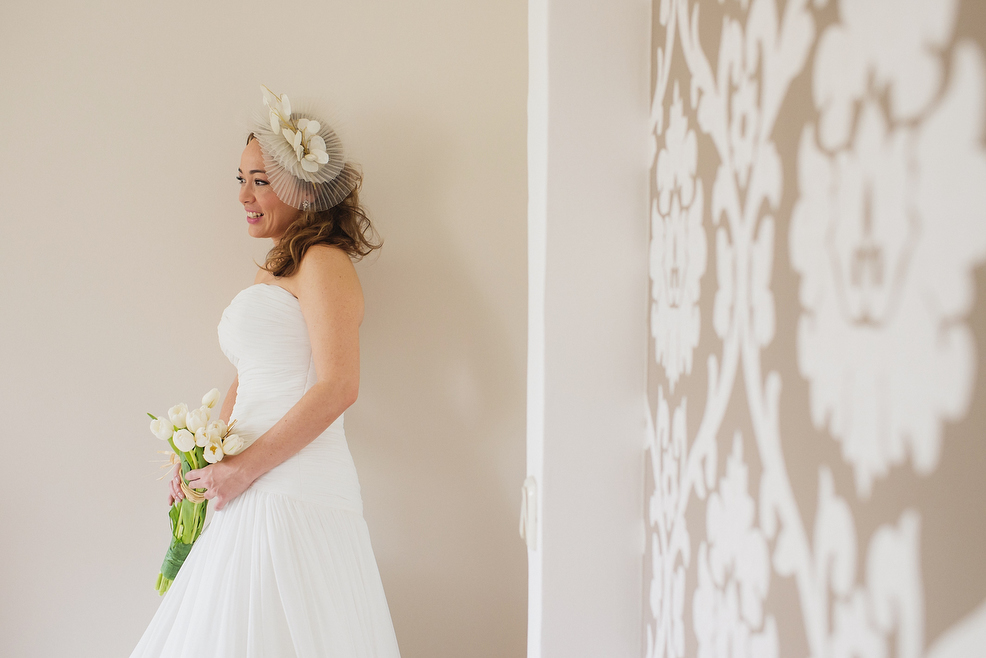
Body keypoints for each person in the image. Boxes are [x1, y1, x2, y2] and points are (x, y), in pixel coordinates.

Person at [130, 87, 402, 658]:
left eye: (260, 180)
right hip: (247, 485)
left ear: (304, 188)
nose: (244, 196)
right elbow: (248, 378)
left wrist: (243, 469)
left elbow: (339, 386)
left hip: (291, 487)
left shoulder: (323, 262)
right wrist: (205, 463)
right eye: (240, 179)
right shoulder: (276, 268)